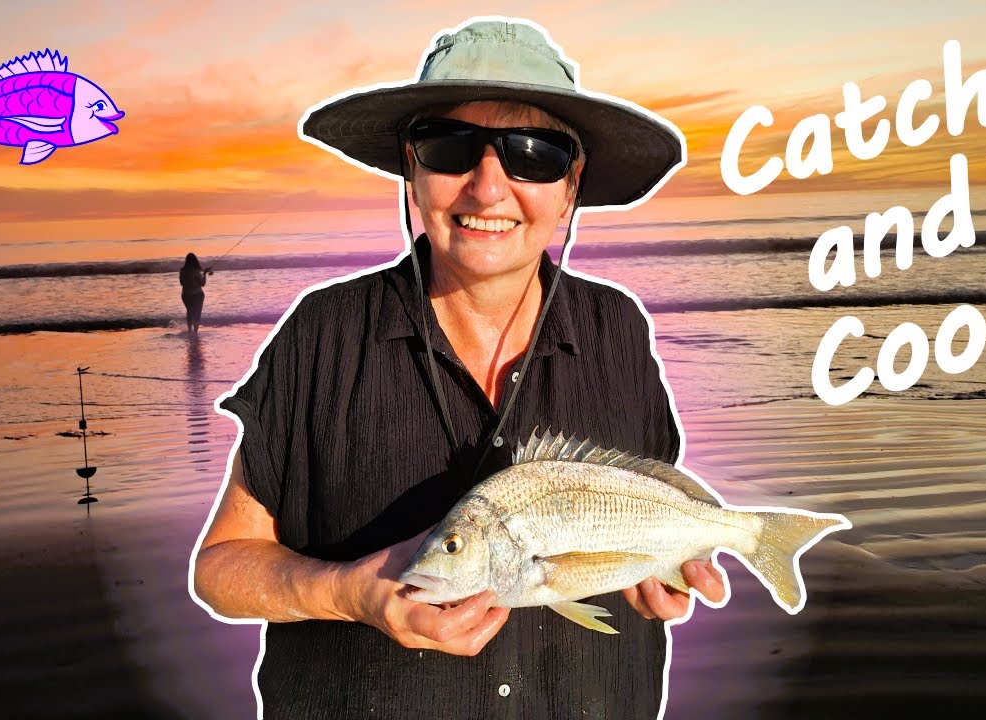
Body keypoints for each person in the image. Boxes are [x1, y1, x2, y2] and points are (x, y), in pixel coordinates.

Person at [192, 18, 726, 719]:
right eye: (451, 148)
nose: (487, 186)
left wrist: (661, 567)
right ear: (413, 170)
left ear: (570, 187)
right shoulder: (323, 335)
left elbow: (644, 505)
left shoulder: (617, 330)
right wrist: (350, 593)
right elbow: (223, 567)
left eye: (533, 154)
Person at [179, 252, 212, 333]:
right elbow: (202, 283)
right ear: (195, 261)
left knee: (190, 312)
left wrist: (203, 272)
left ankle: (190, 331)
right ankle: (195, 333)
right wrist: (204, 274)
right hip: (197, 295)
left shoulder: (182, 271)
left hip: (185, 295)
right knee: (197, 313)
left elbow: (182, 283)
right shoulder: (196, 270)